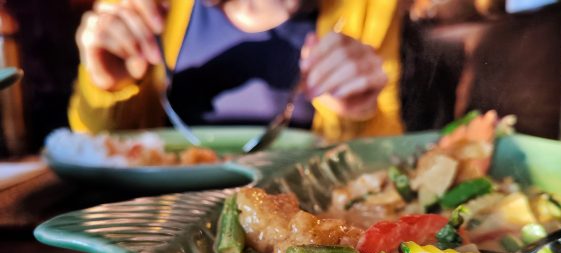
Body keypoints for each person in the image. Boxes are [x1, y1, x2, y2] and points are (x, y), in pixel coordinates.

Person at [69, 0, 404, 142]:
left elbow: (388, 162)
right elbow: (96, 148)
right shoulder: (140, 6)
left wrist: (356, 114)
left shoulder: (368, 9)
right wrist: (108, 85)